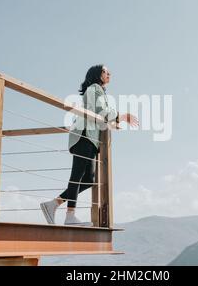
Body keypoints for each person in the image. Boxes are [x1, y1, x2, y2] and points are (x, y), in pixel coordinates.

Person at [40, 65, 139, 226]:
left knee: (88, 179)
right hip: (84, 135)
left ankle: (54, 204)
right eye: (106, 71)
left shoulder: (99, 91)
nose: (109, 74)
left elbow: (102, 114)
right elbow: (100, 111)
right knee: (78, 175)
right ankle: (69, 215)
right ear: (97, 74)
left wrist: (116, 120)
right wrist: (122, 116)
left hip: (91, 138)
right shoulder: (94, 88)